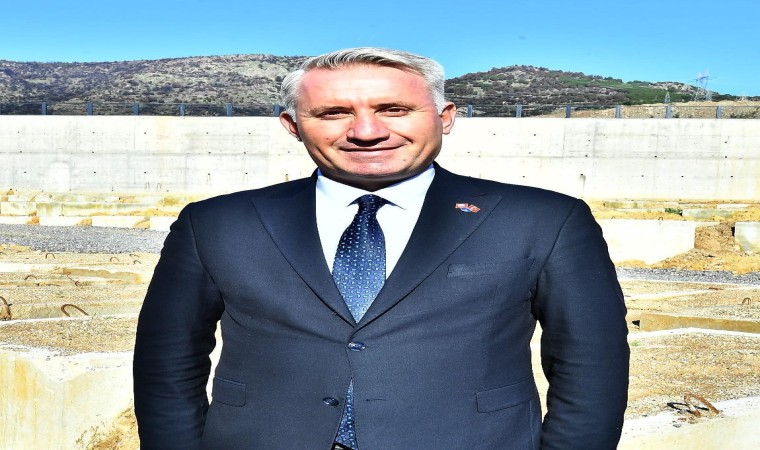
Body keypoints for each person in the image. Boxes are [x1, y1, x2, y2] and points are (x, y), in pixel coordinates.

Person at [133, 47, 629, 450]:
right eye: (334, 113)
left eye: (394, 109)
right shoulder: (215, 223)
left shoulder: (545, 220)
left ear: (445, 117)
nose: (367, 131)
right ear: (292, 125)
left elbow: (591, 370)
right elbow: (168, 365)